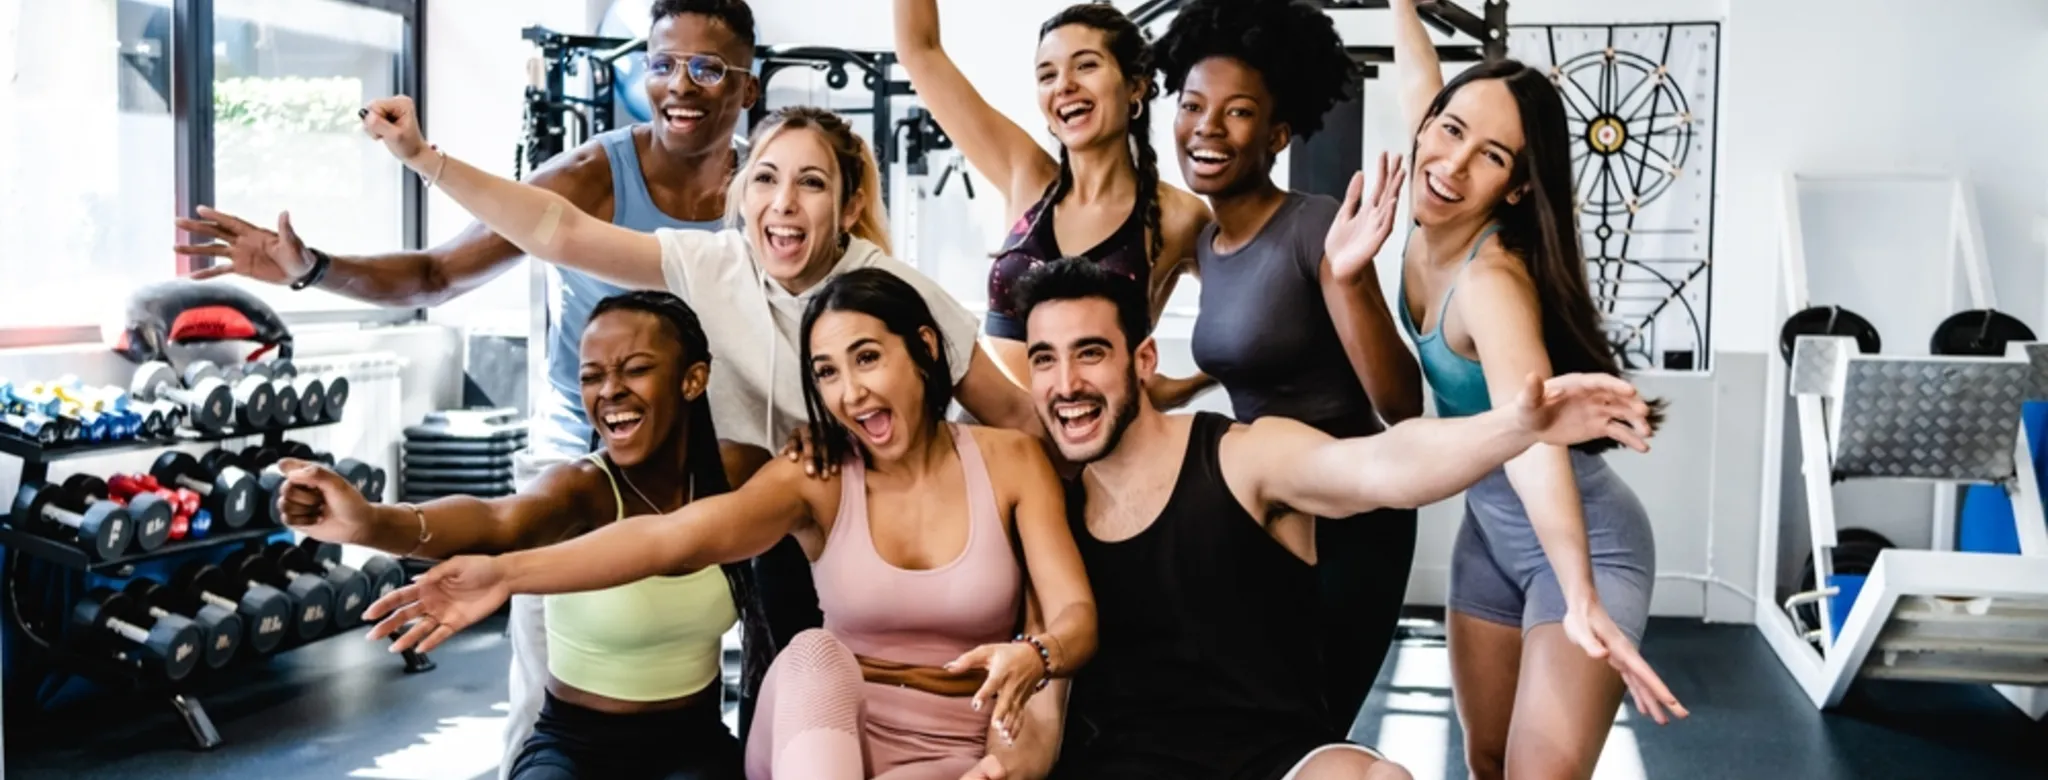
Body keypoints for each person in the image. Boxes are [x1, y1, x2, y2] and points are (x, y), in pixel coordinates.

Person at [170, 2, 763, 769]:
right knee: (551, 683)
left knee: (744, 659)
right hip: (586, 458)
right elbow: (437, 272)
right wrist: (310, 268)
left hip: (718, 457)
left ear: (747, 86)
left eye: (708, 67)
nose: (681, 84)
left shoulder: (767, 190)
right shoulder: (591, 176)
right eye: (662, 64)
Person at [357, 269, 1096, 780]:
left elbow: (1075, 616)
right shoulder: (819, 480)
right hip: (823, 735)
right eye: (827, 372)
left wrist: (1037, 655)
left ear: (925, 350)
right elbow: (669, 538)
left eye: (867, 357)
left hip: (962, 740)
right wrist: (502, 571)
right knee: (813, 653)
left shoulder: (1010, 462)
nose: (849, 390)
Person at [1005, 258, 1661, 780]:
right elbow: (1042, 705)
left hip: (1276, 761)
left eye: (1090, 352)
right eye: (1044, 359)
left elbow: (1384, 466)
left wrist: (1517, 425)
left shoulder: (1243, 457)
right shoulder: (1051, 513)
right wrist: (998, 767)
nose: (1066, 384)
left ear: (1142, 360)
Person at [271, 290, 772, 779]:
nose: (610, 390)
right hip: (576, 746)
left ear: (693, 379)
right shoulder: (581, 488)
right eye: (592, 376)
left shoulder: (737, 474)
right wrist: (370, 522)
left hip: (694, 744)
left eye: (636, 369)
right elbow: (496, 520)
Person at [1387, 0, 1689, 776]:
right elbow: (1421, 76)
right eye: (1449, 131)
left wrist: (1581, 594)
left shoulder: (1491, 282)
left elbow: (1532, 446)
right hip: (1488, 535)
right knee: (1486, 761)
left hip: (1583, 539)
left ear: (1518, 187)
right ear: (1426, 126)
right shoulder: (1432, 187)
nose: (1453, 163)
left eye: (1492, 156)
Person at [1153, 0, 1427, 735]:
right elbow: (1261, 350)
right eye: (1192, 105)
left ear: (1277, 134)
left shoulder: (1312, 225)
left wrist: (1349, 281)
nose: (1207, 126)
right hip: (1262, 509)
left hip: (1350, 516)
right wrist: (1180, 388)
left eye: (1237, 112)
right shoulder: (1208, 245)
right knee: (1249, 722)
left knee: (1309, 724)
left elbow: (1401, 407)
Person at [892, 0, 1210, 405]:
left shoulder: (1180, 217)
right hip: (1000, 440)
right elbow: (920, 52)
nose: (1064, 85)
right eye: (1047, 74)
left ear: (1136, 86)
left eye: (1086, 65)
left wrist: (1185, 389)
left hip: (1098, 452)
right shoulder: (1024, 174)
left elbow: (1249, 326)